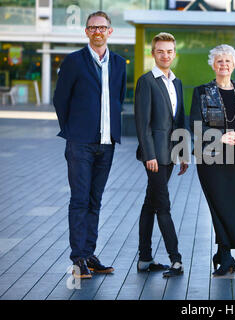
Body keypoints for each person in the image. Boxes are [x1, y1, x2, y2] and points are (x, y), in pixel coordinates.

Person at [53, 11, 127, 279]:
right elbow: (60, 99)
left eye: (102, 27)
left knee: (95, 201)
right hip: (80, 143)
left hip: (106, 143)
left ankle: (89, 254)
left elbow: (117, 98)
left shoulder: (119, 63)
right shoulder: (73, 61)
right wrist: (73, 129)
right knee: (80, 200)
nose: (98, 31)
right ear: (86, 32)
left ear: (110, 31)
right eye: (93, 27)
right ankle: (78, 258)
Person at [190, 44, 235, 276]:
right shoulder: (201, 92)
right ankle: (226, 256)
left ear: (234, 65)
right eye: (219, 60)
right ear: (213, 64)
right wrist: (223, 136)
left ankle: (223, 254)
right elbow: (196, 125)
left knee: (233, 207)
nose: (224, 64)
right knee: (219, 205)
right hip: (210, 159)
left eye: (228, 61)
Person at [134, 32, 188, 278]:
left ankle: (145, 258)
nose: (165, 55)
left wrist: (183, 152)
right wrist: (149, 155)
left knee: (150, 204)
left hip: (170, 154)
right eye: (160, 51)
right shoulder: (147, 81)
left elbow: (180, 120)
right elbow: (142, 123)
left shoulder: (176, 82)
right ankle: (175, 260)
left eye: (169, 51)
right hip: (154, 156)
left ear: (174, 54)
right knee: (163, 205)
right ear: (153, 54)